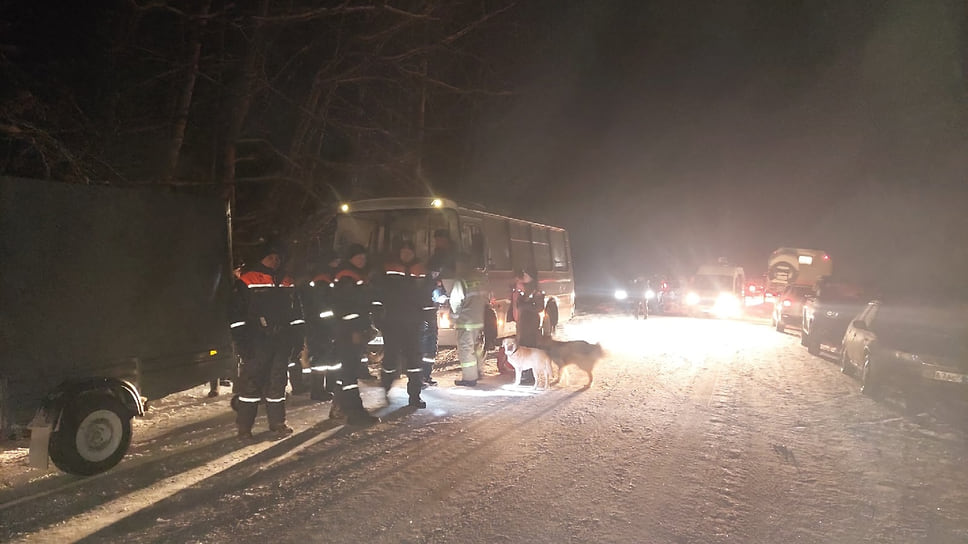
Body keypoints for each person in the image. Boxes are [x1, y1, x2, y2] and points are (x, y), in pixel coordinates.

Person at [230, 242, 304, 439]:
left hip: (282, 341)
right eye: (270, 257)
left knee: (278, 383)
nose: (275, 260)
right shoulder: (247, 280)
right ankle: (244, 428)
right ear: (261, 258)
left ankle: (278, 423)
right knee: (251, 385)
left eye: (277, 257)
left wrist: (298, 339)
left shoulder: (287, 281)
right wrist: (242, 342)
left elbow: (297, 313)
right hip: (257, 341)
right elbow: (237, 315)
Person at [329, 244, 380, 425]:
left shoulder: (356, 276)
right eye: (358, 257)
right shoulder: (347, 278)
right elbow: (348, 308)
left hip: (352, 330)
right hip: (349, 332)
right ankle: (354, 412)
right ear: (350, 259)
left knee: (348, 371)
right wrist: (355, 330)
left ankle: (339, 407)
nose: (362, 260)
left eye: (363, 257)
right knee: (349, 373)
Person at [375, 241, 428, 408]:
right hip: (393, 322)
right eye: (403, 251)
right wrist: (379, 317)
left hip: (412, 322)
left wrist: (427, 316)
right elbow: (379, 293)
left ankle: (414, 396)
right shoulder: (388, 268)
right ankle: (385, 387)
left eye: (408, 252)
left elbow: (426, 294)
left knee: (414, 361)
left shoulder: (420, 270)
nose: (405, 255)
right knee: (390, 358)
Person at [301, 251, 341, 402]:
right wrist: (332, 323)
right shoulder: (322, 280)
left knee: (331, 360)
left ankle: (329, 387)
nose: (338, 264)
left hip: (325, 326)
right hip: (321, 327)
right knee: (321, 358)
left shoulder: (327, 278)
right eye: (336, 262)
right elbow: (323, 308)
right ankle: (317, 391)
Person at [450, 254, 487, 386]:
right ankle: (479, 372)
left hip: (465, 322)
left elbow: (455, 301)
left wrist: (454, 317)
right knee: (477, 348)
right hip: (478, 321)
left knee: (466, 350)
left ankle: (470, 378)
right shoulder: (479, 279)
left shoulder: (461, 280)